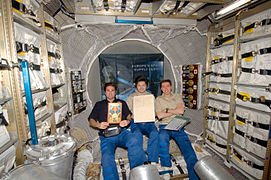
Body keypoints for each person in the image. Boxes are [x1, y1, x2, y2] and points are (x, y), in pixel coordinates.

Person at [89, 82, 147, 180]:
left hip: (122, 132)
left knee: (134, 140)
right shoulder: (99, 105)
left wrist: (127, 121)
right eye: (108, 90)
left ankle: (138, 174)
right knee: (106, 157)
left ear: (115, 92)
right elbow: (91, 121)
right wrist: (99, 125)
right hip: (106, 135)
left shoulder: (121, 103)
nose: (110, 93)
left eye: (112, 90)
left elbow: (129, 116)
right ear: (105, 92)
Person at [155, 79, 199, 180]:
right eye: (163, 86)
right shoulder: (158, 99)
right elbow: (160, 115)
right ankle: (167, 167)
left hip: (178, 124)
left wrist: (167, 110)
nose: (166, 88)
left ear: (171, 87)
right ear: (161, 88)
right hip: (164, 126)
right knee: (162, 137)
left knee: (188, 150)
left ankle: (194, 176)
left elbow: (181, 111)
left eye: (167, 86)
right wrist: (175, 111)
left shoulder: (177, 96)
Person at [126, 76, 159, 163]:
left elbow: (155, 110)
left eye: (143, 85)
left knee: (155, 133)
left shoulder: (151, 96)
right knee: (137, 135)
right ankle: (141, 160)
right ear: (136, 86)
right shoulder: (131, 96)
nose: (141, 87)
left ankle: (152, 159)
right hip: (136, 122)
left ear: (146, 86)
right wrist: (131, 117)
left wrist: (151, 115)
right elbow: (126, 111)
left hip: (149, 122)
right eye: (139, 85)